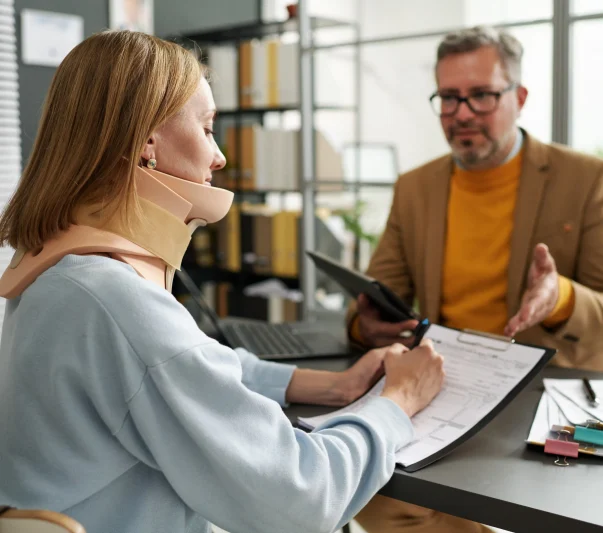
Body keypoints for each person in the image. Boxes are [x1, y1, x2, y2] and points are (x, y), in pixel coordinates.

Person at [0, 30, 445, 533]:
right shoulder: (114, 299)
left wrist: (328, 385)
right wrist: (398, 404)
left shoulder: (55, 267)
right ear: (146, 142)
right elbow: (301, 497)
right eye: (208, 129)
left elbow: (178, 366)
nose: (220, 157)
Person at [347, 25, 603, 533]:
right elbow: (377, 296)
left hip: (545, 393)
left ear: (519, 97)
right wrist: (364, 326)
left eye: (481, 96)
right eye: (449, 98)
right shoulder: (415, 188)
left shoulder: (585, 178)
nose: (462, 113)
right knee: (374, 491)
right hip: (448, 387)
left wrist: (559, 297)